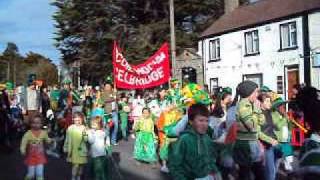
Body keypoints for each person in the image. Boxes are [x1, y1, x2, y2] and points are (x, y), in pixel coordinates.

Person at [168, 103, 220, 180]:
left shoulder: (207, 138)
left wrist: (216, 172)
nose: (205, 124)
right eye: (201, 120)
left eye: (207, 121)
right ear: (191, 121)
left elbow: (210, 159)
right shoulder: (184, 139)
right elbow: (174, 166)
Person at [233, 80, 265, 180]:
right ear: (249, 92)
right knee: (247, 174)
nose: (257, 94)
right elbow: (251, 125)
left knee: (257, 173)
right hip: (245, 145)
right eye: (256, 92)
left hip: (252, 143)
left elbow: (262, 122)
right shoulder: (243, 105)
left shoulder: (251, 105)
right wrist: (256, 110)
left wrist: (257, 111)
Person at [20, 114, 52, 180]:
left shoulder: (43, 133)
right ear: (30, 124)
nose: (35, 124)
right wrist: (22, 149)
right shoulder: (28, 134)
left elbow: (47, 139)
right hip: (31, 157)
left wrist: (50, 141)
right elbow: (23, 142)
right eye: (33, 123)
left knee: (39, 174)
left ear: (41, 124)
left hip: (40, 157)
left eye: (38, 123)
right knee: (31, 174)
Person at [258, 93, 280, 180]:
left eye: (270, 101)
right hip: (265, 146)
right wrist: (271, 140)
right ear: (261, 102)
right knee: (270, 172)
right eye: (267, 101)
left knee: (273, 170)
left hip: (273, 144)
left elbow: (273, 127)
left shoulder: (269, 112)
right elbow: (258, 132)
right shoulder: (258, 114)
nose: (269, 103)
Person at [64, 112, 88, 180]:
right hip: (73, 150)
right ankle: (73, 177)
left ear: (82, 120)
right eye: (76, 120)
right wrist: (65, 147)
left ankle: (79, 176)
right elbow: (67, 139)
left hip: (82, 150)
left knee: (81, 166)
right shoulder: (70, 128)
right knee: (75, 166)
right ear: (73, 120)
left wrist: (86, 134)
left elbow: (86, 139)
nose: (77, 122)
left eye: (79, 120)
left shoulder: (84, 128)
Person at [87, 115, 108, 180]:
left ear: (99, 125)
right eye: (92, 124)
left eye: (94, 125)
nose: (92, 126)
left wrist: (89, 133)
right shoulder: (103, 132)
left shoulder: (95, 133)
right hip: (102, 153)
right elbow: (106, 138)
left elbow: (91, 141)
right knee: (101, 168)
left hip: (96, 154)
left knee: (97, 169)